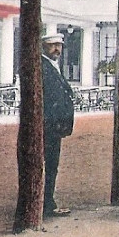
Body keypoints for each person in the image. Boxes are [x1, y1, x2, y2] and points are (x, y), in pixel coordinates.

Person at [41, 33, 76, 217]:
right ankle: (47, 203)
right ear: (44, 47)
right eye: (52, 45)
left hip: (55, 125)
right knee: (50, 164)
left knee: (52, 165)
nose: (57, 49)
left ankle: (48, 201)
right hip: (48, 125)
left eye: (59, 45)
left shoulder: (53, 66)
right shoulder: (43, 67)